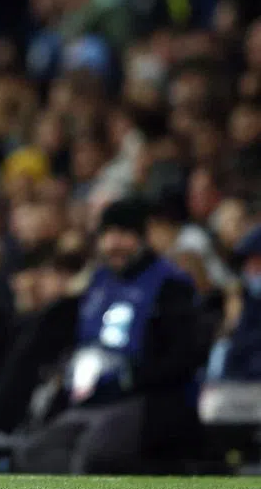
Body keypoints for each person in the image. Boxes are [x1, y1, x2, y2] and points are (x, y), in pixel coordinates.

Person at [14, 197, 209, 473]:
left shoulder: (170, 284)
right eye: (108, 235)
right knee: (37, 451)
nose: (114, 244)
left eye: (123, 234)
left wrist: (135, 376)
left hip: (147, 400)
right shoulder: (98, 282)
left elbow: (187, 353)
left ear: (141, 237)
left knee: (97, 452)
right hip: (93, 398)